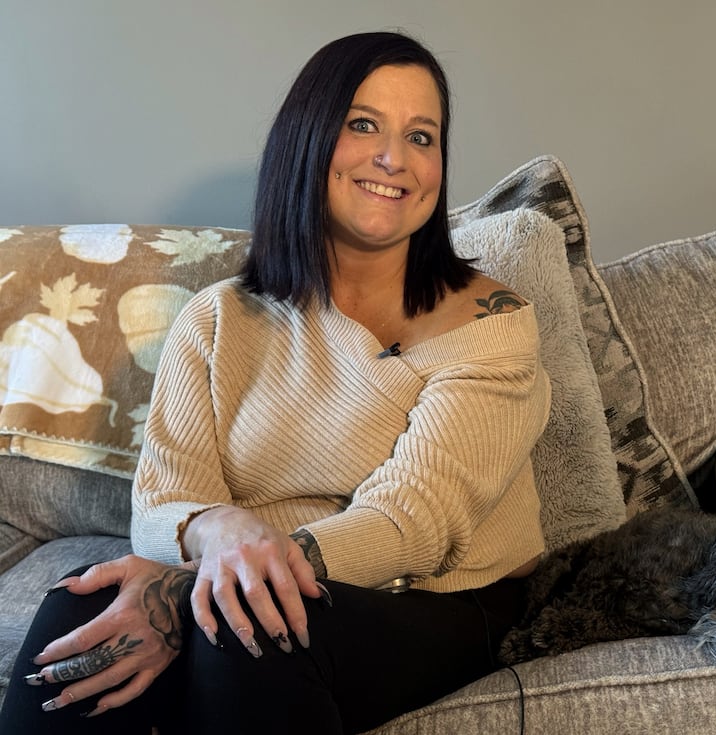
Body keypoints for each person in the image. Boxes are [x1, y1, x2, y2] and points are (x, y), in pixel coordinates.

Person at [0, 31, 551, 734]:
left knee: (250, 627)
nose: (395, 158)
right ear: (308, 140)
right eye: (363, 125)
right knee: (78, 611)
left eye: (422, 135)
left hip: (446, 598)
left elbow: (413, 523)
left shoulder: (490, 321)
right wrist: (219, 530)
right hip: (270, 575)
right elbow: (164, 506)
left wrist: (218, 568)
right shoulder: (218, 319)